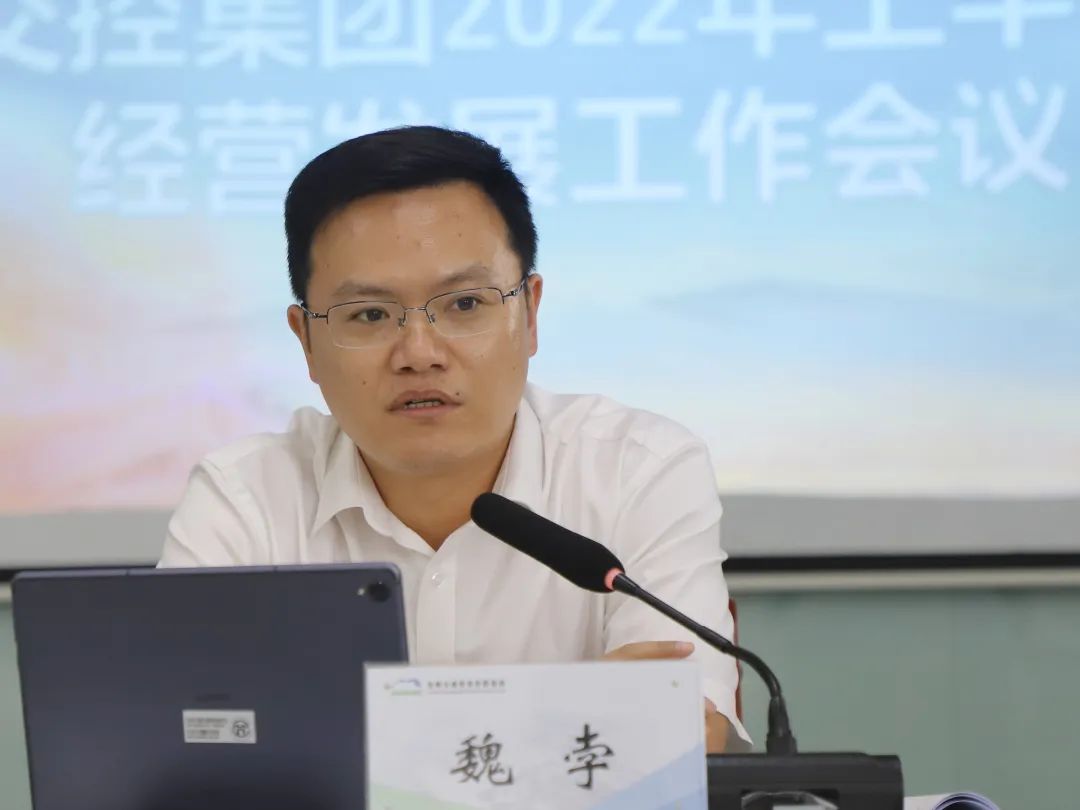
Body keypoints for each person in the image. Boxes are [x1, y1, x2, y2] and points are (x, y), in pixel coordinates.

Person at [160, 125, 749, 752]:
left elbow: (678, 736)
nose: (420, 353)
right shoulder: (244, 499)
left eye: (465, 305)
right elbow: (182, 744)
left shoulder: (638, 471)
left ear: (529, 314)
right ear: (305, 340)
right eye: (370, 315)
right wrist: (563, 722)